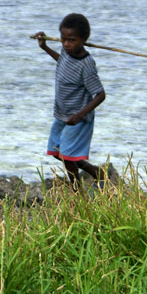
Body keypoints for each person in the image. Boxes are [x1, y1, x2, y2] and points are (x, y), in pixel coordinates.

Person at [33, 13, 106, 190]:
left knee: (67, 155)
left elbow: (100, 94)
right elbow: (63, 63)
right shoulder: (66, 53)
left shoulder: (86, 64)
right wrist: (45, 47)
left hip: (77, 118)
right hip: (61, 114)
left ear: (84, 39)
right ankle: (95, 171)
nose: (66, 44)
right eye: (63, 39)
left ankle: (77, 191)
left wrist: (79, 116)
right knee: (56, 152)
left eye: (71, 40)